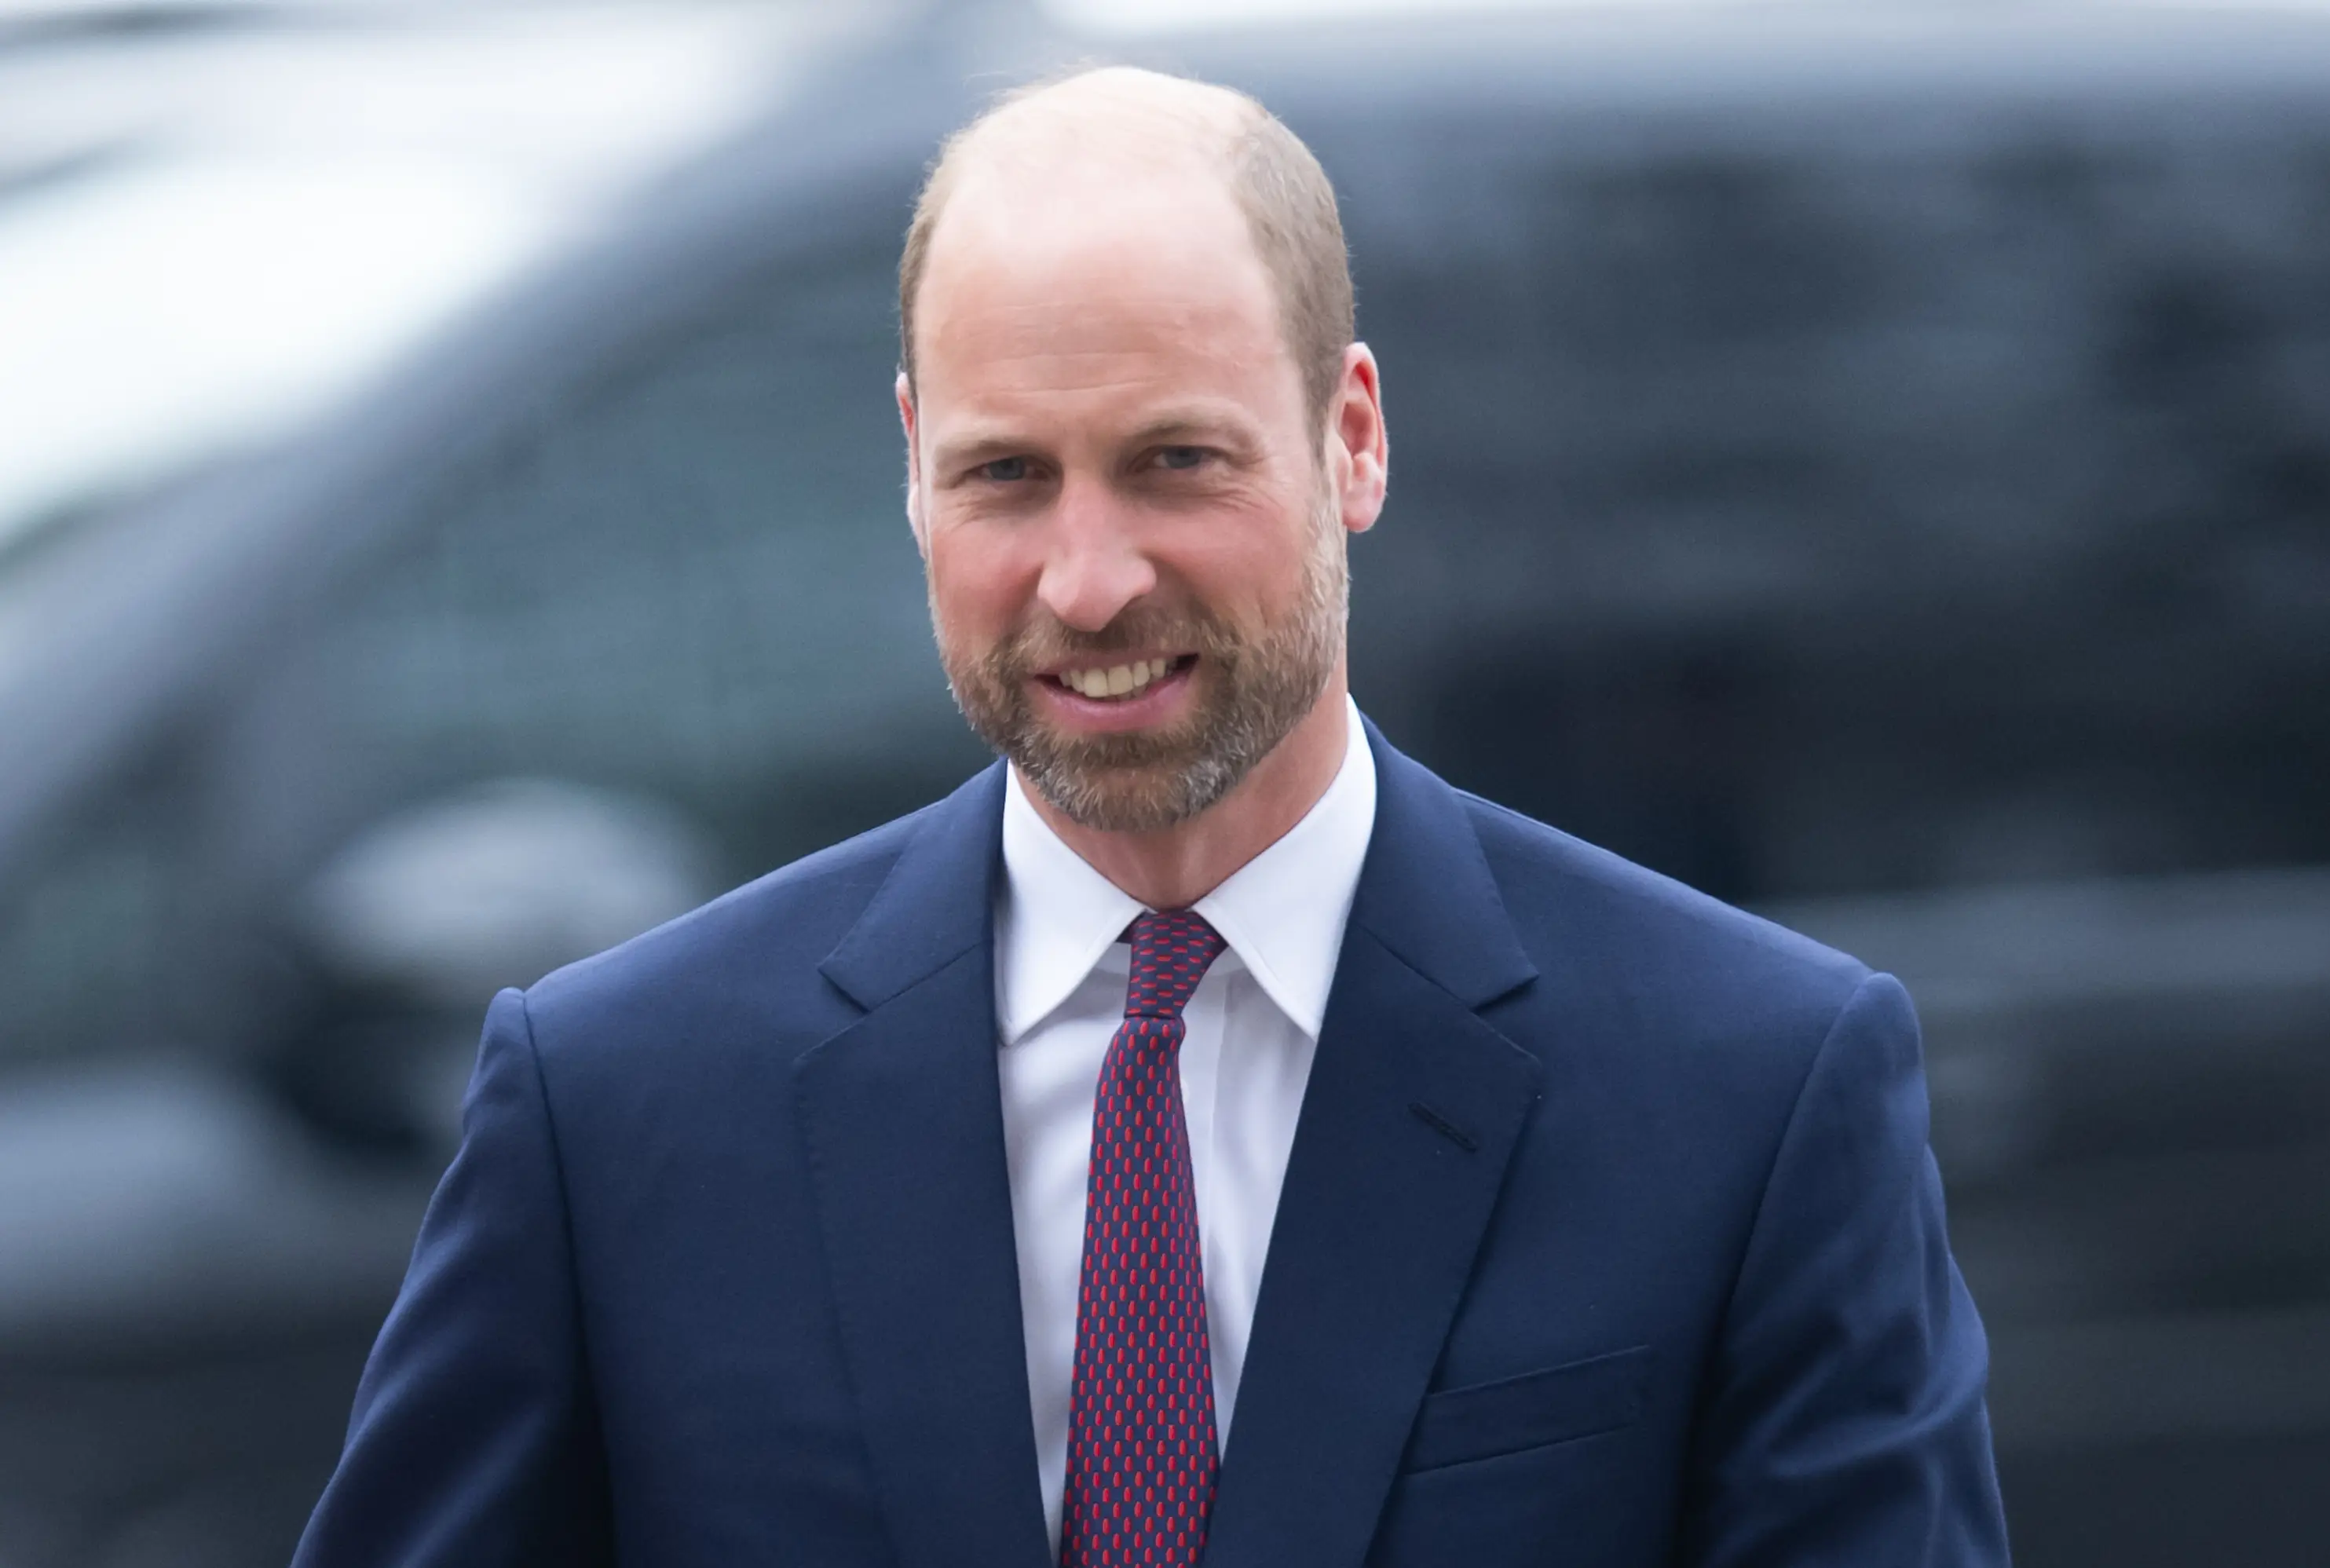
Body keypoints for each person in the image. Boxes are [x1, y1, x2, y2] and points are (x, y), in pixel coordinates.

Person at [294, 66, 2006, 1568]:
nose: (1090, 580)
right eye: (1005, 475)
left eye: (1178, 461)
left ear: (1350, 440)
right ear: (911, 466)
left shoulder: (1754, 1090)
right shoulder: (619, 1110)